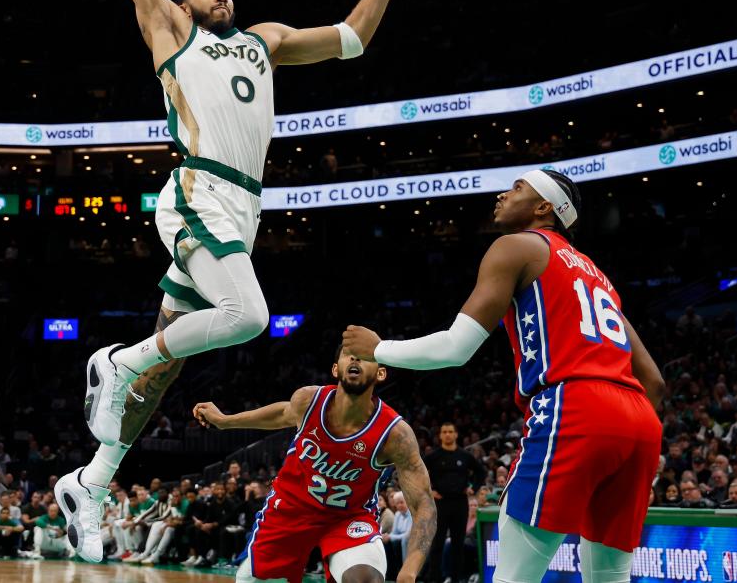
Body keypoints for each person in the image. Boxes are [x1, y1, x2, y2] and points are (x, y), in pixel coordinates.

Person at [57, 0, 427, 563]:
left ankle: (92, 479)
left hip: (245, 207)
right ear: (183, 3)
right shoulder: (171, 32)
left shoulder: (267, 40)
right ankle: (115, 360)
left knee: (166, 367)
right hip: (197, 190)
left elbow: (353, 39)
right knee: (248, 317)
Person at [343, 170, 665, 583]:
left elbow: (456, 347)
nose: (502, 193)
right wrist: (619, 433)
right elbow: (654, 381)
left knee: (515, 575)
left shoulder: (517, 246)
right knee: (609, 576)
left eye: (517, 188)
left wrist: (379, 348)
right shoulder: (596, 274)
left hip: (577, 404)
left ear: (544, 207)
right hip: (639, 421)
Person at [191, 344, 436, 583]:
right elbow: (283, 414)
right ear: (335, 369)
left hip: (349, 517)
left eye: (364, 356)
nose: (355, 360)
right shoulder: (308, 400)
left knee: (364, 579)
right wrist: (225, 421)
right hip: (289, 510)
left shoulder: (395, 435)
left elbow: (424, 504)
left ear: (381, 373)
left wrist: (409, 571)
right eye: (349, 355)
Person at [422, 422, 484, 583]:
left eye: (450, 431)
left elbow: (480, 472)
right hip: (441, 503)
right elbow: (417, 471)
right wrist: (429, 491)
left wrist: (473, 488)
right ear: (440, 435)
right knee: (437, 544)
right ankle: (434, 579)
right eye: (444, 432)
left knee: (458, 544)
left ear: (456, 434)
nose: (448, 434)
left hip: (460, 503)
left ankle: (456, 579)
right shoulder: (433, 456)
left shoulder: (465, 456)